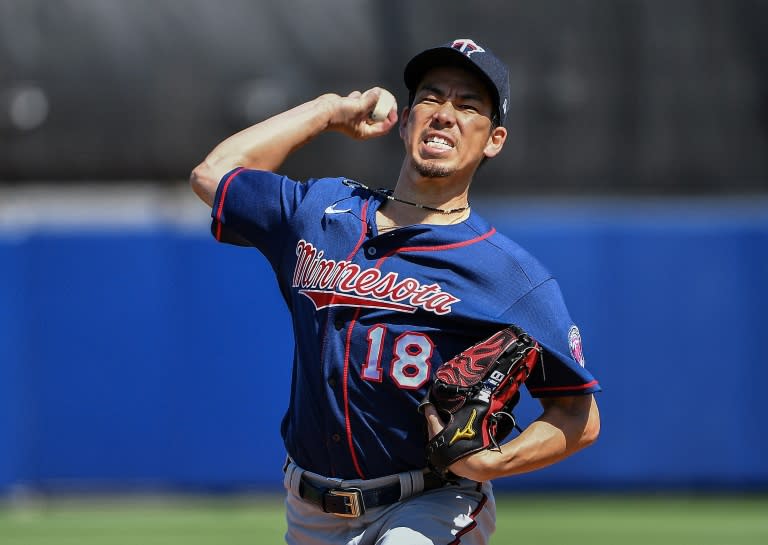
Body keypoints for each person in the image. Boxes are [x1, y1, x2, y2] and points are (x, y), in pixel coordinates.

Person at [190, 38, 601, 545]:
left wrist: (496, 460)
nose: (445, 114)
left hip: (429, 501)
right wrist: (328, 110)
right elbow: (214, 174)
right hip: (309, 509)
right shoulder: (320, 211)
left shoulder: (510, 276)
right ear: (407, 121)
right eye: (431, 98)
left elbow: (579, 416)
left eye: (468, 105)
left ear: (493, 140)